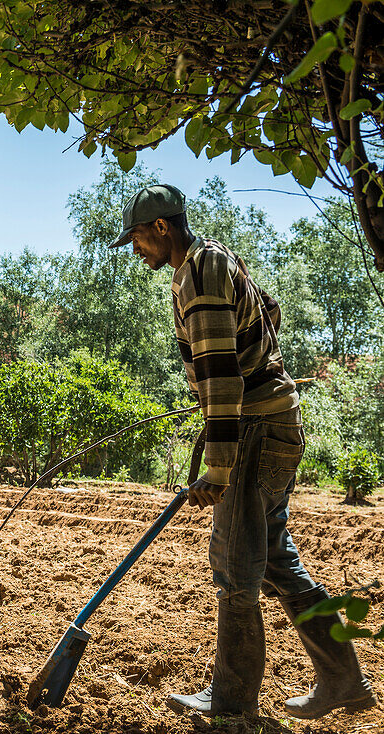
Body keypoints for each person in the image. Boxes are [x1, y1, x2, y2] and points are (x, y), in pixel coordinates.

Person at [110, 184, 376, 719]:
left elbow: (220, 371)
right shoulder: (217, 258)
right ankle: (344, 682)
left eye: (137, 236)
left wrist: (219, 464)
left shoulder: (199, 272)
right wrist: (253, 376)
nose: (136, 248)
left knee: (235, 568)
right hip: (270, 420)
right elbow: (268, 315)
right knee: (277, 561)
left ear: (161, 227)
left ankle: (232, 703)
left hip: (255, 429)